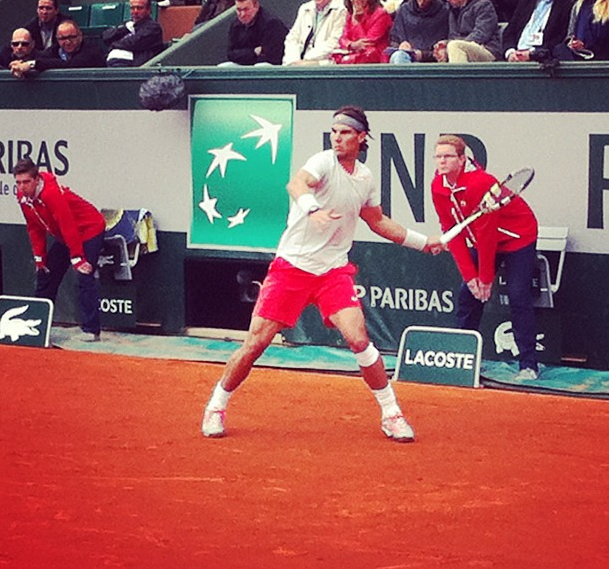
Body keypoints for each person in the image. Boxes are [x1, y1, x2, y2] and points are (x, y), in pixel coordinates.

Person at [201, 105, 441, 443]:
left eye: (345, 133)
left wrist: (422, 242)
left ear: (361, 137)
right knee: (256, 343)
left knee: (359, 339)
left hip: (332, 272)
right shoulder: (324, 161)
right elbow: (298, 184)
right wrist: (311, 208)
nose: (337, 138)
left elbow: (379, 222)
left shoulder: (365, 178)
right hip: (291, 268)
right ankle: (216, 406)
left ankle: (392, 414)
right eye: (334, 132)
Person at [430, 135, 539, 380]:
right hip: (481, 240)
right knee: (467, 295)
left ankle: (529, 365)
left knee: (518, 294)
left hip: (517, 237)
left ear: (462, 158)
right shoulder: (438, 186)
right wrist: (471, 277)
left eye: (447, 156)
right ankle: (463, 360)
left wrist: (486, 279)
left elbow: (486, 234)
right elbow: (451, 230)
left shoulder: (482, 183)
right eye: (438, 157)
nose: (441, 161)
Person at [13, 158, 106, 343]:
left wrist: (78, 257)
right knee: (46, 273)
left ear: (37, 180)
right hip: (65, 236)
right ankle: (38, 326)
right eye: (18, 182)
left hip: (89, 229)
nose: (22, 187)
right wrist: (40, 259)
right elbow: (34, 227)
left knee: (84, 273)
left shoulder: (51, 194)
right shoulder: (22, 197)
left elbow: (67, 224)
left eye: (26, 182)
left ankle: (91, 330)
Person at [9, 21, 106, 78]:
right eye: (63, 38)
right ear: (57, 39)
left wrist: (31, 64)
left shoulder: (92, 50)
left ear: (80, 36)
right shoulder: (55, 49)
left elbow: (69, 65)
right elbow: (41, 57)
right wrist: (19, 64)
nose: (67, 42)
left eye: (72, 37)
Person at [220, 0, 288, 66]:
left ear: (256, 7)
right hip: (244, 64)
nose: (242, 14)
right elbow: (231, 54)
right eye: (239, 10)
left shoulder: (271, 23)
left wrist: (243, 55)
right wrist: (254, 52)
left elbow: (271, 57)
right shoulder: (235, 25)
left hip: (271, 67)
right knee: (224, 67)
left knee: (261, 66)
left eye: (246, 9)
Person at [502, 0, 574, 62]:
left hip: (541, 60)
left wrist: (532, 53)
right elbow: (510, 32)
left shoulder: (566, 5)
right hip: (515, 57)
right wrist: (510, 52)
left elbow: (559, 39)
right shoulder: (526, 2)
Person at [283, 0, 348, 65]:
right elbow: (292, 38)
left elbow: (335, 43)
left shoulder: (343, 9)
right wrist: (293, 61)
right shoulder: (305, 8)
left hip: (325, 64)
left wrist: (306, 60)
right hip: (299, 63)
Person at [434, 0, 503, 62]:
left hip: (488, 49)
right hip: (463, 47)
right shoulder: (452, 11)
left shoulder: (484, 5)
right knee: (445, 49)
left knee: (454, 46)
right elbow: (453, 36)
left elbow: (481, 34)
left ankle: (459, 75)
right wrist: (445, 45)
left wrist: (454, 44)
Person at [103, 0, 165, 67]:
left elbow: (132, 43)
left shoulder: (153, 28)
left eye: (140, 8)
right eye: (132, 8)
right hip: (113, 64)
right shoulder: (127, 24)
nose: (135, 11)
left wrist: (113, 45)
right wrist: (125, 28)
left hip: (136, 68)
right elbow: (106, 36)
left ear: (148, 10)